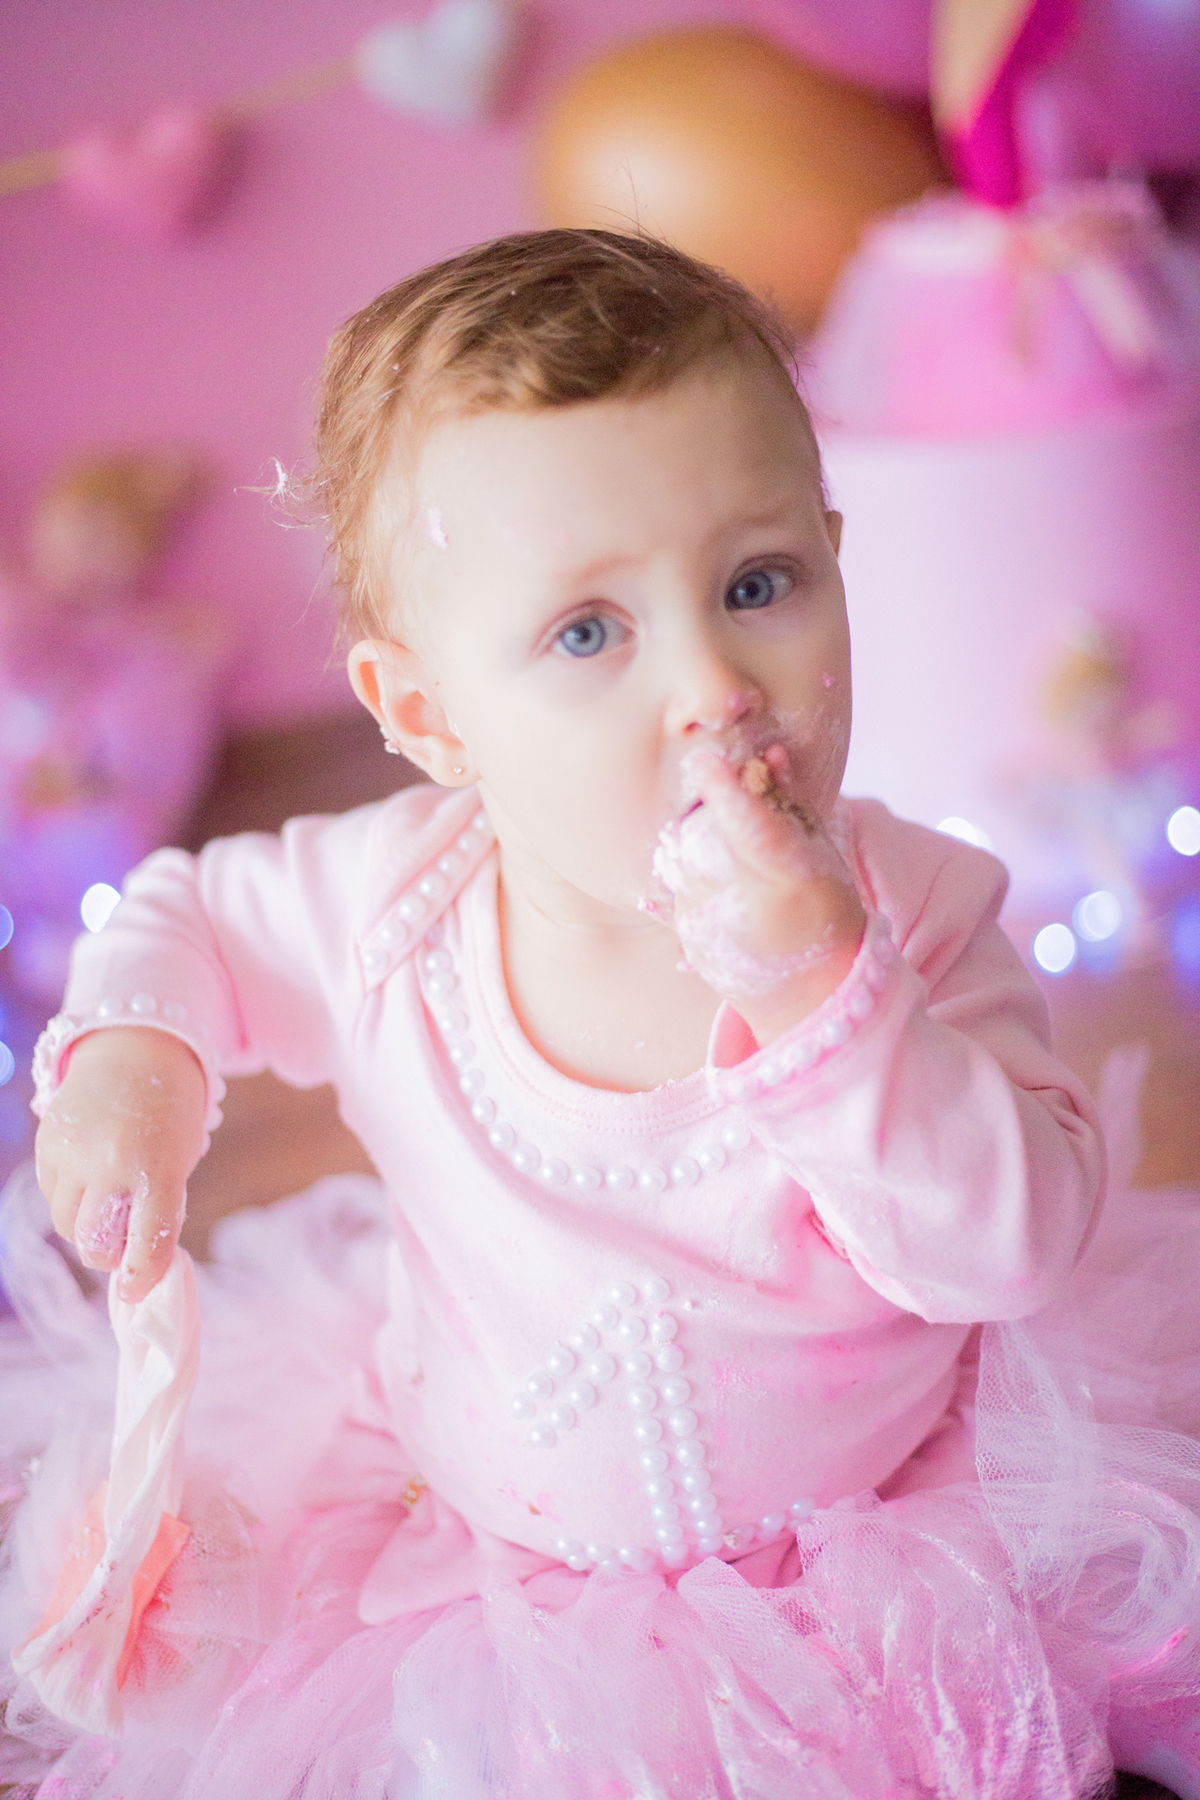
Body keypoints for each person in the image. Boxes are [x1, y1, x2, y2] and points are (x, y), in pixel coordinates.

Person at [2, 230, 1199, 1800]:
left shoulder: (913, 917)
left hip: (897, 1533)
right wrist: (134, 1074)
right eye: (590, 633)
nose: (714, 683)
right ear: (430, 716)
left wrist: (821, 993)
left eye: (758, 584)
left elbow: (1010, 1244)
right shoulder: (392, 909)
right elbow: (190, 919)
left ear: (840, 562)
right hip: (499, 1574)